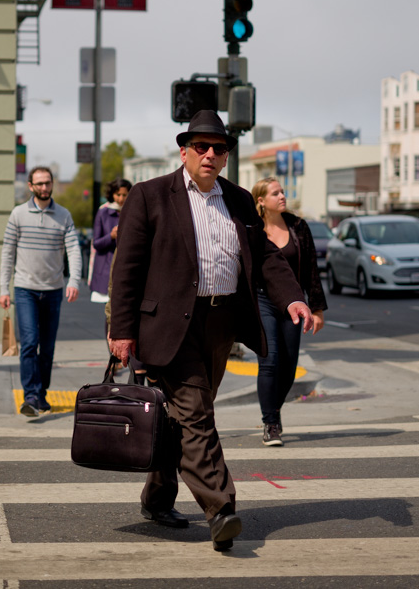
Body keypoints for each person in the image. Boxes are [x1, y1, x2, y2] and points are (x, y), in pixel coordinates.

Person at [109, 110, 312, 552]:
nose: (209, 154)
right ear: (184, 151)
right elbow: (127, 269)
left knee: (177, 418)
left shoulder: (239, 200)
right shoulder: (149, 195)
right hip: (166, 324)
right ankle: (221, 509)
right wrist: (122, 330)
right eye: (200, 146)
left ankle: (158, 498)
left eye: (218, 148)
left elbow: (267, 260)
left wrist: (292, 297)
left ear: (225, 157)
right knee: (197, 414)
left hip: (219, 325)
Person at [0, 166, 81, 417]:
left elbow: (74, 250)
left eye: (48, 183)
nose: (44, 188)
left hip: (53, 290)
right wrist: (4, 288)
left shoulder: (64, 215)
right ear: (30, 186)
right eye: (40, 184)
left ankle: (42, 394)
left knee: (47, 348)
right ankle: (31, 395)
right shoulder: (18, 214)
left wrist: (74, 280)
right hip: (25, 290)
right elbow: (8, 253)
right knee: (29, 343)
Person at [251, 177, 327, 446]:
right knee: (269, 361)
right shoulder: (253, 228)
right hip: (263, 302)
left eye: (282, 191)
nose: (282, 196)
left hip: (294, 303)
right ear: (261, 200)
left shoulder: (298, 226)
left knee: (289, 368)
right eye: (275, 193)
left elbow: (310, 270)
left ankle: (274, 409)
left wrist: (316, 307)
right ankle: (270, 423)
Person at [89, 178, 132, 335]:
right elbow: (97, 243)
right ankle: (113, 350)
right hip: (107, 269)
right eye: (118, 194)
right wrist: (112, 236)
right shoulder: (103, 212)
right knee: (111, 312)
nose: (121, 199)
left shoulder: (133, 210)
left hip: (127, 267)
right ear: (112, 194)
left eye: (125, 195)